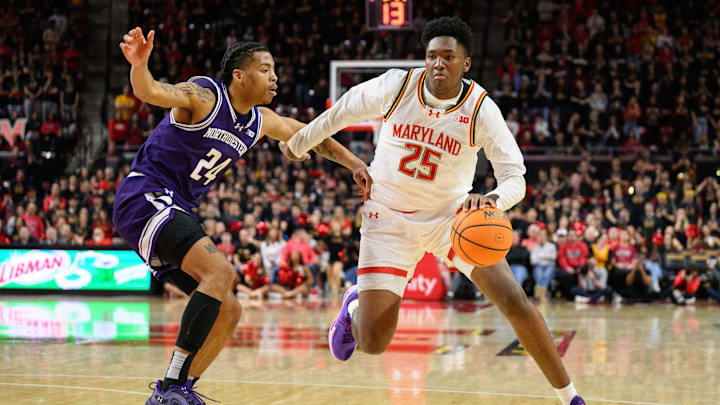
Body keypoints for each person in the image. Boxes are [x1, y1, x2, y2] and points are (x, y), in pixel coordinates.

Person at [279, 16, 584, 405]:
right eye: (431, 56)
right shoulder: (397, 85)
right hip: (387, 216)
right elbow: (342, 111)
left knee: (514, 300)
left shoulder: (480, 109)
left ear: (465, 63)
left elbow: (515, 177)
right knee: (372, 343)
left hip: (450, 219)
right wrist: (301, 142)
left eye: (448, 57)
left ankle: (570, 397)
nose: (438, 63)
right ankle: (354, 303)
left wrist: (492, 200)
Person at [113, 28, 371, 404]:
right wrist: (139, 65)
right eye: (265, 69)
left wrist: (355, 163)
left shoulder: (259, 121)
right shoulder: (205, 96)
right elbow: (150, 90)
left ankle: (179, 390)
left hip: (174, 207)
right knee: (222, 272)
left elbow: (308, 132)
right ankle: (169, 386)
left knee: (230, 310)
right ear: (239, 75)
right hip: (145, 194)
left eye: (274, 70)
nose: (274, 77)